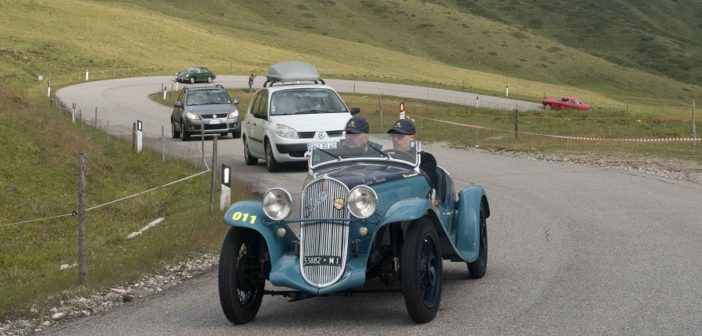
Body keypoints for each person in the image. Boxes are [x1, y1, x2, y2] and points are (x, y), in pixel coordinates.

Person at [387, 118, 438, 189]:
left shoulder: (426, 159)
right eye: (393, 136)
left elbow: (422, 184)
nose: (395, 140)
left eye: (400, 136)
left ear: (412, 137)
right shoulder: (389, 158)